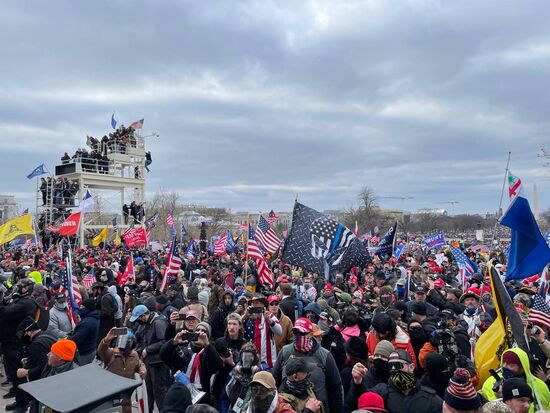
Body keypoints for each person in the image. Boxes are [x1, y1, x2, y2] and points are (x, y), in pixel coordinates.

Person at [273, 317, 344, 413]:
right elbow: (274, 382)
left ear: (311, 334)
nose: (298, 336)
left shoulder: (324, 355)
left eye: (302, 333)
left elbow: (336, 388)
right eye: (295, 333)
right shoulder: (285, 352)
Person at [346, 349, 442, 413]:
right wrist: (357, 382)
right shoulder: (382, 391)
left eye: (397, 365)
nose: (394, 369)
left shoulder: (430, 399)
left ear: (411, 367)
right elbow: (361, 400)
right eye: (390, 366)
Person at [160, 322, 221, 406]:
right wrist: (173, 342)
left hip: (200, 397)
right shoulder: (182, 349)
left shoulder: (208, 353)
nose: (199, 333)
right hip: (180, 394)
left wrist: (207, 345)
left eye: (203, 331)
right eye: (197, 330)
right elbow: (163, 355)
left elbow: (216, 365)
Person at [481, 347, 550, 411]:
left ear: (523, 367)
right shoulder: (490, 383)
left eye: (511, 365)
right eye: (503, 363)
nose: (505, 367)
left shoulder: (540, 386)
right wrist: (500, 398)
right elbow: (486, 409)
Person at [97, 327, 146, 413]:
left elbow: (140, 365)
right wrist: (106, 340)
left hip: (126, 396)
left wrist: (143, 370)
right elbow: (101, 351)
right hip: (110, 395)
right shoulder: (112, 353)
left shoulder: (134, 355)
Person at [131, 304, 170, 412]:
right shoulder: (146, 323)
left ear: (143, 315)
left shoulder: (158, 322)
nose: (138, 321)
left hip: (158, 362)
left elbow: (164, 341)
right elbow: (143, 338)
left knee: (159, 392)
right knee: (148, 390)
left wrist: (148, 349)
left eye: (138, 318)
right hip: (149, 362)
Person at [14, 317, 57, 413]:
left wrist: (26, 372)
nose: (26, 336)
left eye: (26, 333)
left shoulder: (36, 344)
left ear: (30, 332)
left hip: (42, 386)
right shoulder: (48, 334)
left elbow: (45, 366)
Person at [243, 295, 282, 368]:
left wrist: (269, 321)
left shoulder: (269, 316)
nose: (254, 305)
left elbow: (279, 332)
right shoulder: (248, 317)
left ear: (263, 305)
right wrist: (245, 316)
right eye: (252, 303)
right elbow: (237, 326)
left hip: (268, 362)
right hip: (251, 360)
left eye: (257, 303)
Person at [70, 298, 100, 365]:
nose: (80, 308)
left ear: (88, 308)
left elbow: (77, 339)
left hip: (84, 353)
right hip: (91, 349)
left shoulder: (86, 323)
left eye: (82, 307)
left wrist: (66, 339)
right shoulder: (94, 318)